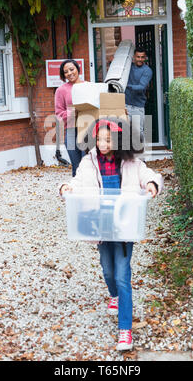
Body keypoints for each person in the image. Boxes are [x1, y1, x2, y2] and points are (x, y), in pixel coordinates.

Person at [60, 118, 163, 351]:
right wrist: (67, 187)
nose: (103, 143)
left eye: (108, 139)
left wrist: (151, 185)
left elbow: (149, 175)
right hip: (101, 224)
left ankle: (125, 330)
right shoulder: (89, 162)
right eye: (99, 139)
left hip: (125, 226)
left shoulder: (131, 162)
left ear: (118, 141)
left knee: (122, 276)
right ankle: (113, 295)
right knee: (107, 269)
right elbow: (78, 180)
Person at [55, 59, 84, 177]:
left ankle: (91, 193)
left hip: (88, 130)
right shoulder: (61, 90)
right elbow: (58, 113)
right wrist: (72, 113)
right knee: (76, 167)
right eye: (66, 72)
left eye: (72, 69)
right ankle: (76, 194)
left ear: (77, 69)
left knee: (88, 165)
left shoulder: (88, 86)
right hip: (71, 131)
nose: (70, 73)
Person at [125, 47, 153, 142]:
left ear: (145, 58)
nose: (140, 59)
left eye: (142, 57)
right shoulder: (129, 67)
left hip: (138, 107)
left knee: (138, 133)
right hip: (125, 106)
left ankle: (141, 157)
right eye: (138, 57)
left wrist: (126, 86)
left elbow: (141, 87)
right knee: (125, 133)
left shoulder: (147, 70)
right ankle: (127, 157)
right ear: (134, 57)